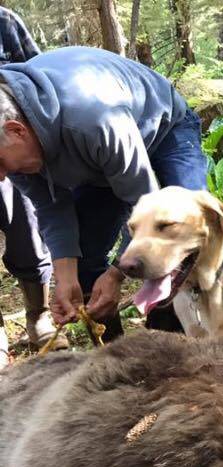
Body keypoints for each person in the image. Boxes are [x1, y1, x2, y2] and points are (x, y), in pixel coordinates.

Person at [0, 46, 206, 341]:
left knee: (179, 233)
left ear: (17, 131)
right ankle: (119, 359)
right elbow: (51, 207)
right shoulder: (15, 153)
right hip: (97, 161)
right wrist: (66, 277)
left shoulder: (91, 119)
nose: (1, 176)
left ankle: (168, 340)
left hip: (164, 129)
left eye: (0, 162)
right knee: (83, 261)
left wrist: (116, 275)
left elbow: (146, 207)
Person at [0, 7, 66, 368]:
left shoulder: (4, 22)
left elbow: (38, 77)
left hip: (9, 141)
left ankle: (38, 315)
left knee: (26, 226)